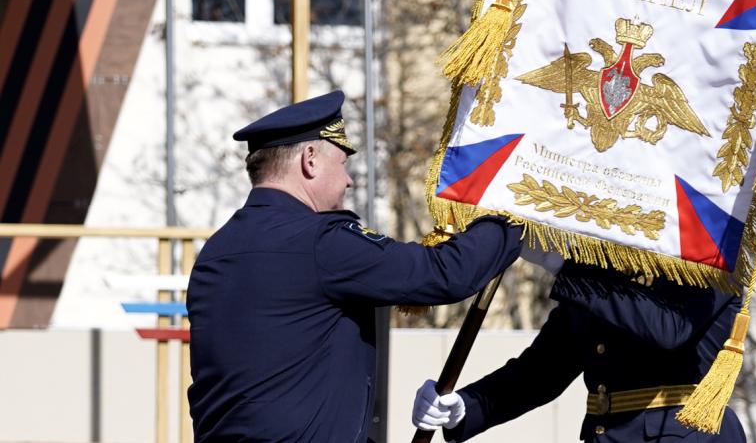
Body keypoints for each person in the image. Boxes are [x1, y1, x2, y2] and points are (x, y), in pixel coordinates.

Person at [187, 91, 523, 442]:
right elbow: (446, 273)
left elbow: (279, 394)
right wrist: (514, 210)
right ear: (310, 159)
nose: (348, 180)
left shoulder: (216, 251)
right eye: (343, 163)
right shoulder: (320, 241)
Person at [412, 260, 747, 442]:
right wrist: (464, 407)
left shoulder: (709, 259)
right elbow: (540, 372)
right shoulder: (602, 273)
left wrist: (570, 272)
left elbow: (670, 328)